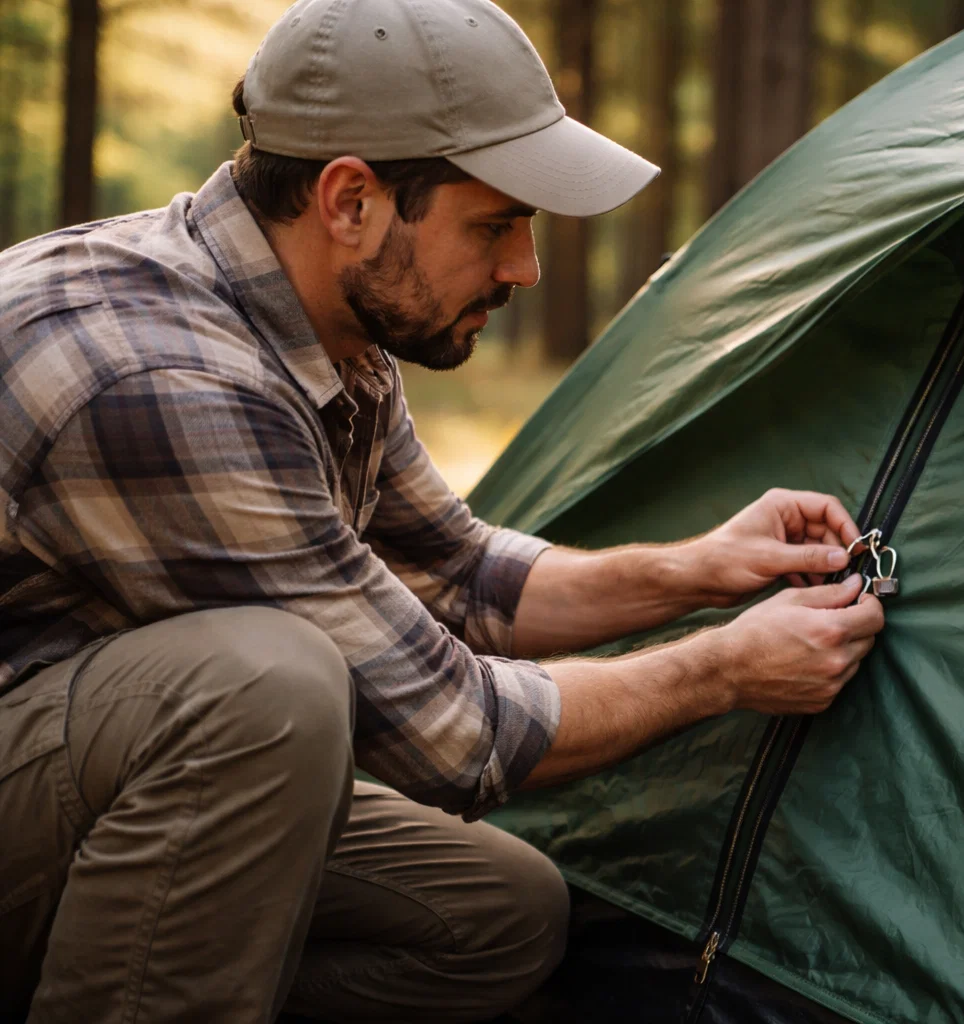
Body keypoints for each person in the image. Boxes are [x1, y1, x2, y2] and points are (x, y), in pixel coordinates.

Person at [0, 0, 886, 1020]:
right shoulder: (163, 379)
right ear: (350, 202)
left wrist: (698, 569)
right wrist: (724, 667)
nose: (525, 268)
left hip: (71, 769)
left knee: (496, 910)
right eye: (495, 224)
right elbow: (455, 735)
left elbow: (459, 574)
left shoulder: (329, 329)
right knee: (263, 691)